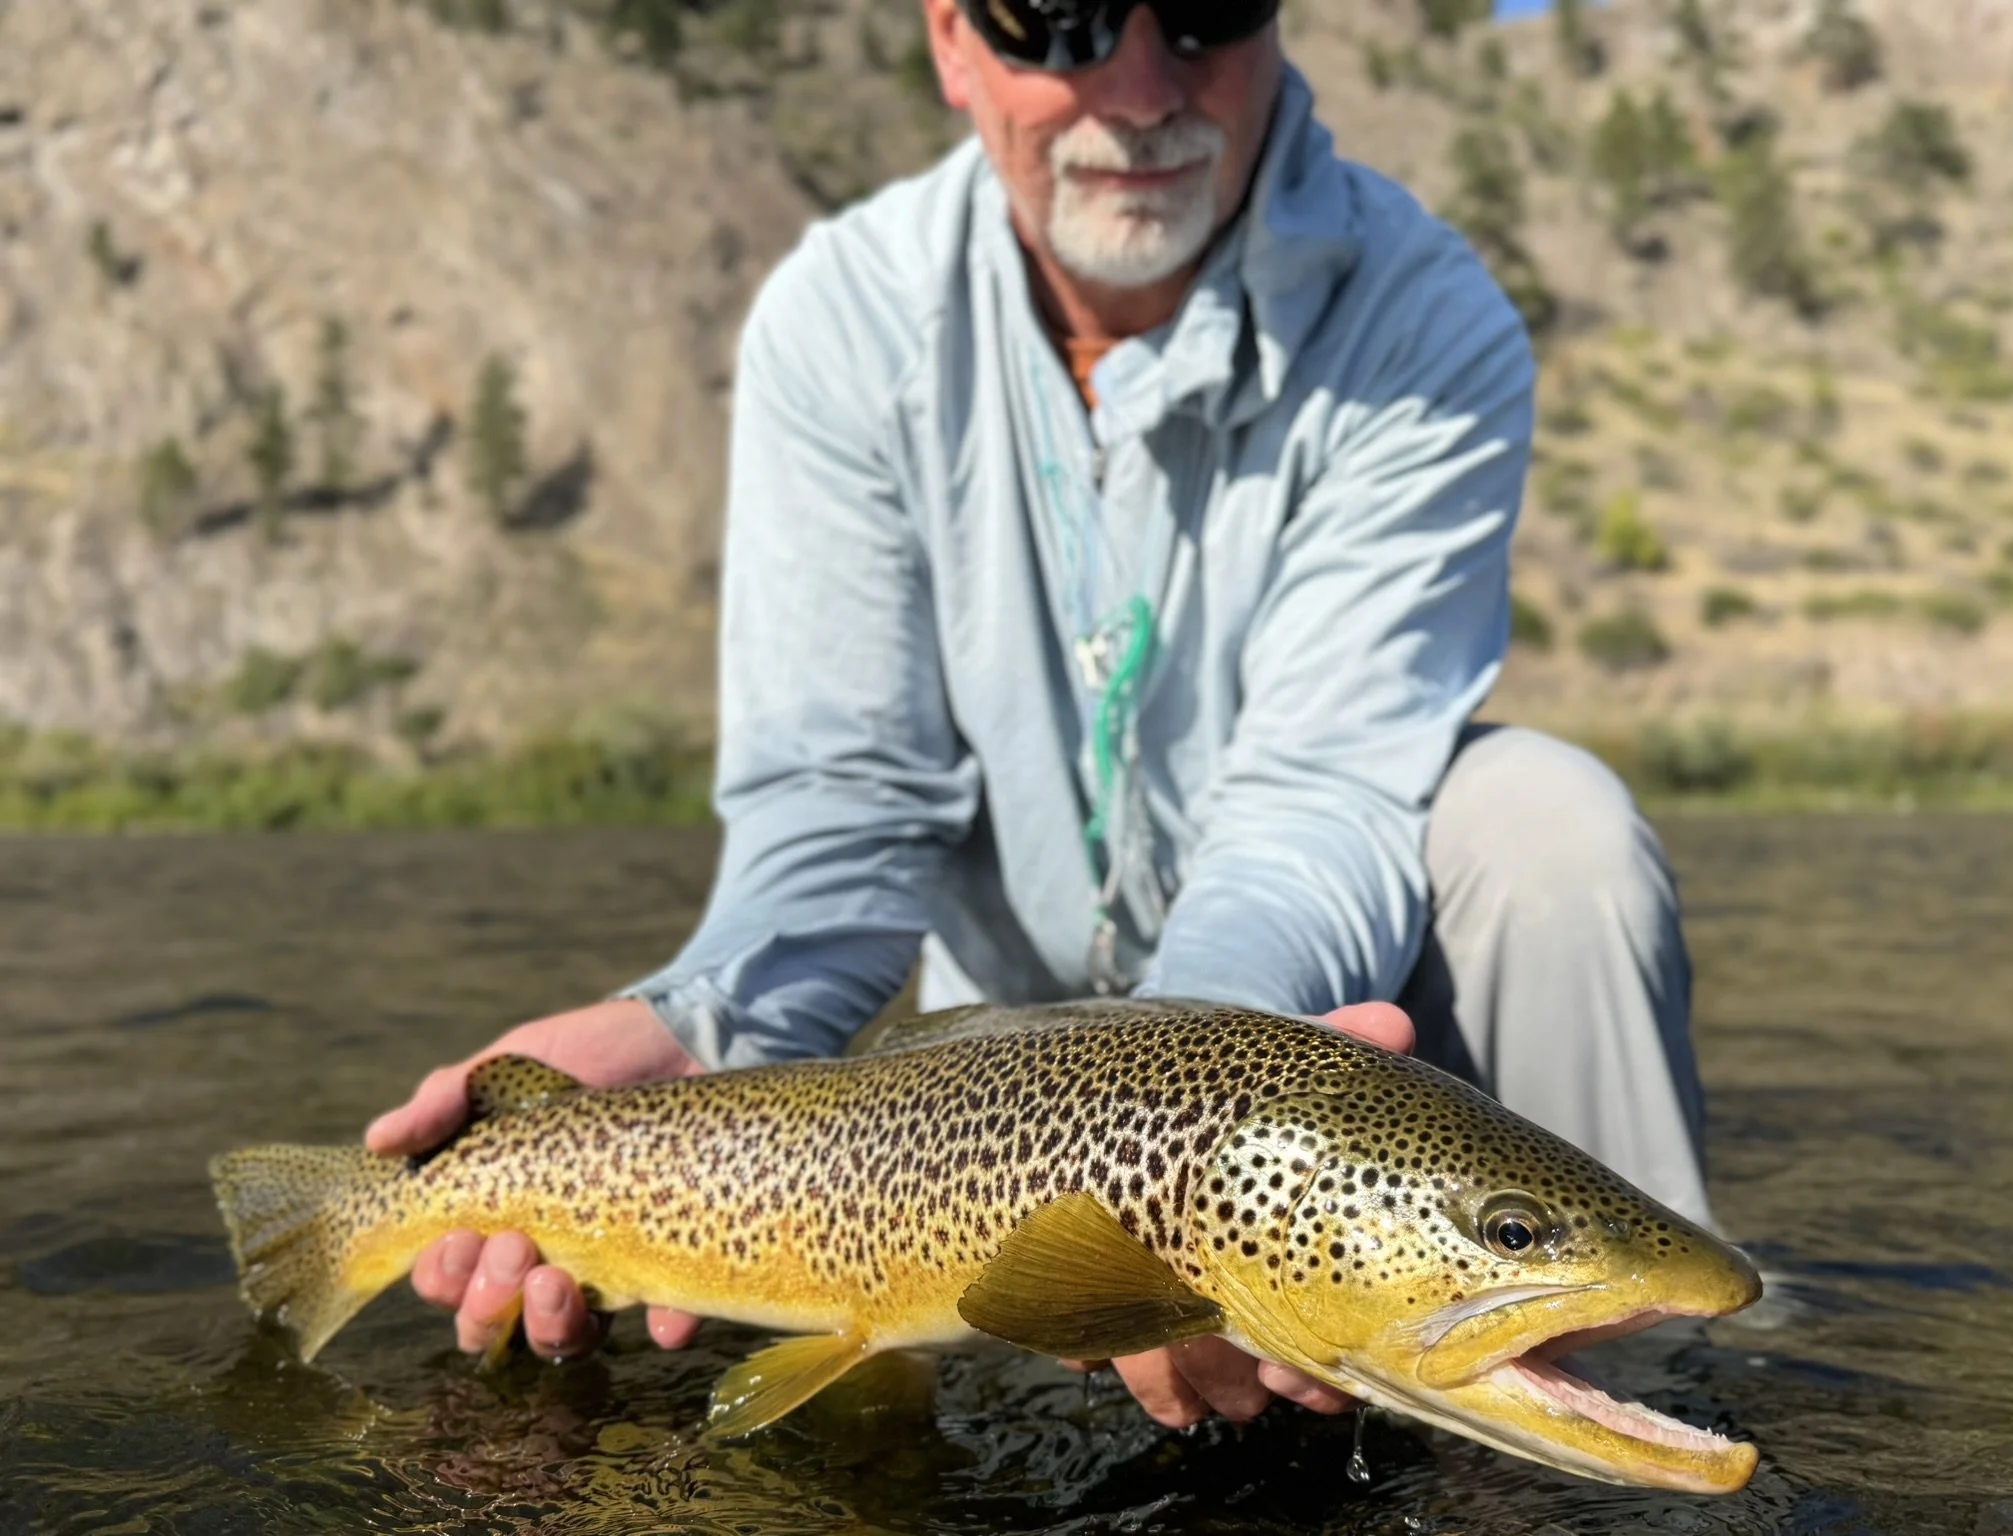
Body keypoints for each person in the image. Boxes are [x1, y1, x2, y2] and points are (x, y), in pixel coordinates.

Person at [365, 0, 1709, 1432]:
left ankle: (1622, 1381)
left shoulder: (1424, 322)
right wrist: (709, 1015)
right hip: (993, 1097)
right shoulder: (845, 320)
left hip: (1324, 1036)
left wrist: (1200, 1149)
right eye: (1055, 19)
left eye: (1199, 12)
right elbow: (848, 798)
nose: (1136, 92)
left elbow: (1319, 792)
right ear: (952, 40)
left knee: (1550, 827)